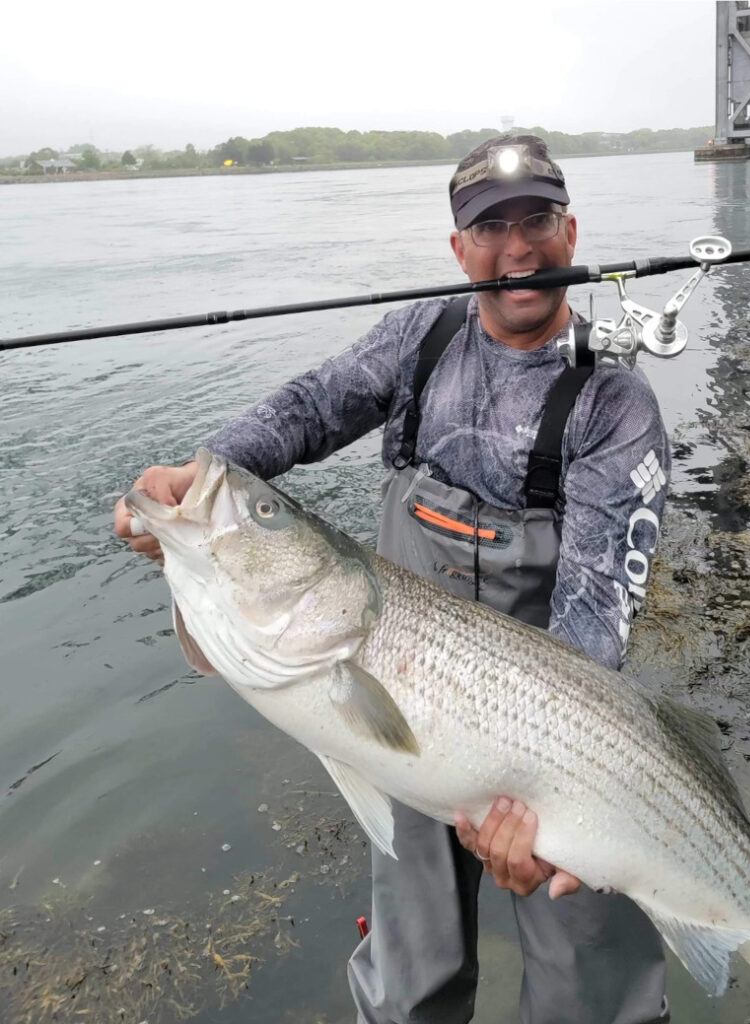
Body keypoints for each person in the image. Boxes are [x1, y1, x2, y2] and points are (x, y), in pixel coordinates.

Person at [114, 133, 672, 1024]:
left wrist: (542, 811)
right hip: (391, 690)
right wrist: (202, 475)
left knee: (589, 983)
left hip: (546, 721)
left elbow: (595, 618)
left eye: (536, 219)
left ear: (571, 231)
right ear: (459, 250)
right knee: (408, 975)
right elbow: (310, 405)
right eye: (489, 227)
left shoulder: (614, 404)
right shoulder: (423, 334)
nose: (516, 247)